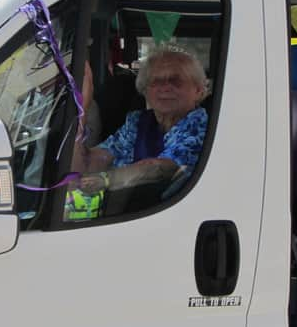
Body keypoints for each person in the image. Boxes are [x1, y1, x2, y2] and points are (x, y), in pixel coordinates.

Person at [67, 48, 208, 218]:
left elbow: (163, 168)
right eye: (156, 81)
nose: (165, 87)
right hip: (119, 216)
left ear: (199, 90)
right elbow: (84, 165)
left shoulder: (200, 125)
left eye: (175, 80)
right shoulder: (136, 122)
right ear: (145, 90)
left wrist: (106, 180)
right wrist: (81, 105)